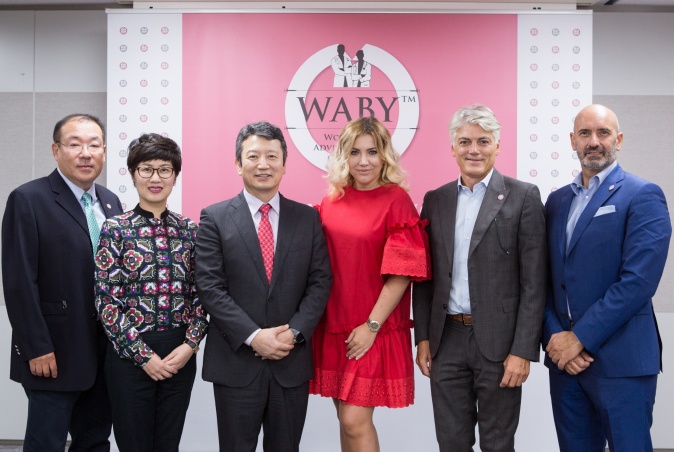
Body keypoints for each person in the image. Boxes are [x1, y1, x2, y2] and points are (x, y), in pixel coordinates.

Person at [412, 104, 547, 451]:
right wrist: (423, 338)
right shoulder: (436, 200)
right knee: (451, 442)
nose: (474, 150)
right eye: (465, 142)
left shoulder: (524, 196)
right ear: (453, 148)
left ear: (497, 146)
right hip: (446, 341)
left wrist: (523, 351)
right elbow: (425, 277)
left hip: (500, 344)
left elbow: (534, 283)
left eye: (483, 141)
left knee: (497, 443)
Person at [195, 121, 332, 452]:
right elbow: (210, 286)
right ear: (238, 163)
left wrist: (294, 333)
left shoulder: (308, 218)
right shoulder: (214, 218)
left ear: (284, 164)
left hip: (290, 359)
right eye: (253, 156)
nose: (263, 164)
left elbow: (320, 281)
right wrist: (254, 336)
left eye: (272, 156)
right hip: (236, 363)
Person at [543, 104, 672, 452]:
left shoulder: (643, 195)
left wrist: (580, 338)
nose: (594, 142)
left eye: (603, 133)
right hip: (566, 365)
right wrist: (556, 337)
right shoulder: (556, 202)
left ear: (619, 139)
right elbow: (543, 279)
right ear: (573, 140)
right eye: (585, 133)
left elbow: (638, 282)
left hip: (622, 361)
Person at [2, 113, 123, 451]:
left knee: (95, 441)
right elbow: (19, 282)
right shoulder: (28, 199)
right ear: (56, 150)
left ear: (104, 151)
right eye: (74, 144)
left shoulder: (110, 202)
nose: (85, 153)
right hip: (53, 352)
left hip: (105, 352)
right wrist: (36, 347)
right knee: (46, 443)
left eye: (94, 145)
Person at [309, 116, 431, 452]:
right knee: (345, 421)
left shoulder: (396, 200)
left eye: (372, 152)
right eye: (355, 152)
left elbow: (402, 273)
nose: (364, 161)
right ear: (343, 156)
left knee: (354, 420)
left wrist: (371, 326)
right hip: (333, 327)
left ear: (384, 155)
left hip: (372, 327)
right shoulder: (332, 200)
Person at [94, 133, 207, 451]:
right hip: (129, 356)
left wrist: (190, 346)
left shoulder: (190, 230)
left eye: (164, 170)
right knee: (134, 443)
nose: (155, 178)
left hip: (178, 354)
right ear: (133, 174)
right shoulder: (116, 229)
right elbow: (107, 302)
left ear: (175, 175)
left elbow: (202, 296)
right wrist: (144, 357)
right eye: (146, 169)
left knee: (168, 443)